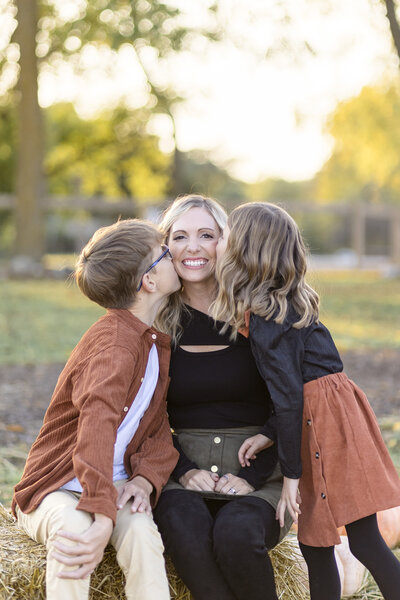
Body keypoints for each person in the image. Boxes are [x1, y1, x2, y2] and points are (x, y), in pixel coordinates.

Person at [213, 201, 400, 600]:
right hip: (334, 414)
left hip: (321, 426)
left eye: (226, 234)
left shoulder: (265, 319)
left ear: (244, 251)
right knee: (323, 544)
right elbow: (296, 386)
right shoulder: (283, 305)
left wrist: (291, 479)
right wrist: (267, 435)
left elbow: (291, 398)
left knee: (350, 543)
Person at [12, 218, 181, 600]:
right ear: (149, 282)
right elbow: (96, 428)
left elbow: (155, 427)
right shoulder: (114, 345)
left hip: (116, 482)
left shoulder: (152, 342)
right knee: (74, 533)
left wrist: (145, 478)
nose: (175, 257)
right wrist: (102, 515)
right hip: (56, 485)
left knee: (140, 533)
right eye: (166, 254)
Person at [153, 195, 292, 600]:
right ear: (166, 248)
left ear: (226, 243)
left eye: (206, 235)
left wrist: (251, 476)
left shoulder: (260, 315)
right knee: (183, 527)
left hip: (261, 470)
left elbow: (290, 404)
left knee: (236, 534)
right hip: (181, 470)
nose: (192, 247)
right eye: (179, 236)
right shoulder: (155, 322)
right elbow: (144, 413)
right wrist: (182, 468)